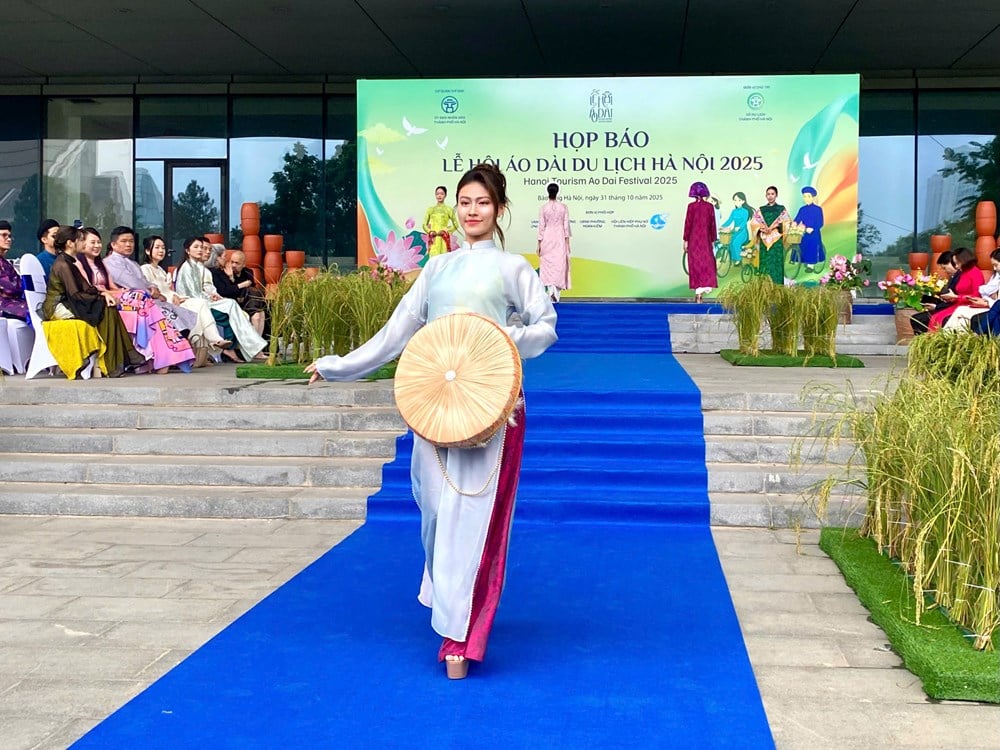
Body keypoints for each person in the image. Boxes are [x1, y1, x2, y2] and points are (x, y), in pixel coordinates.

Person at [306, 163, 557, 680]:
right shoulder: (436, 270)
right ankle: (448, 597)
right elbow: (395, 332)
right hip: (435, 405)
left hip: (493, 408)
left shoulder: (513, 269)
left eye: (482, 203)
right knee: (436, 513)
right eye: (464, 201)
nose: (471, 211)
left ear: (500, 210)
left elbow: (546, 325)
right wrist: (337, 367)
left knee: (473, 520)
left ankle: (460, 636)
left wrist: (507, 339)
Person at [78, 227, 194, 374]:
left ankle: (160, 354)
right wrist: (143, 292)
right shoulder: (86, 263)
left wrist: (141, 290)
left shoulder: (103, 263)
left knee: (146, 304)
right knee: (144, 301)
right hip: (101, 301)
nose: (97, 246)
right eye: (92, 242)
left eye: (98, 242)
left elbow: (119, 285)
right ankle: (163, 353)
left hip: (122, 298)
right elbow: (91, 288)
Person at [42, 225, 145, 378]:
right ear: (70, 243)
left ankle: (117, 362)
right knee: (104, 308)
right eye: (79, 240)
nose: (82, 243)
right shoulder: (63, 264)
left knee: (108, 307)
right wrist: (101, 298)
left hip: (71, 301)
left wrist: (103, 294)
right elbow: (75, 293)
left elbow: (86, 287)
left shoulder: (70, 261)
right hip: (59, 306)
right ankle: (120, 360)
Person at [140, 235, 231, 367]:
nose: (161, 251)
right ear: (148, 251)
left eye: (163, 248)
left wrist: (176, 296)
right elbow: (150, 292)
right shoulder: (145, 269)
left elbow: (168, 290)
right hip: (160, 306)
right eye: (157, 247)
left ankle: (215, 339)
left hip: (172, 302)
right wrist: (171, 296)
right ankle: (209, 342)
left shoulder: (160, 269)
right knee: (199, 306)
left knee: (201, 304)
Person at [174, 237, 266, 362]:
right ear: (187, 251)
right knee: (231, 307)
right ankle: (251, 346)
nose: (201, 250)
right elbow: (192, 293)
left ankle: (250, 346)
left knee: (234, 307)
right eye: (197, 247)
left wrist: (214, 295)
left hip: (204, 301)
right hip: (193, 303)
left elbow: (207, 288)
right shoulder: (186, 268)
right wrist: (211, 296)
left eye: (202, 247)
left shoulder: (200, 268)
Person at [927, 247, 985, 331]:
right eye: (955, 263)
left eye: (957, 263)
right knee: (935, 318)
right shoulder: (963, 273)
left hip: (968, 306)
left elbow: (976, 296)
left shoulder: (975, 273)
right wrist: (951, 298)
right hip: (958, 304)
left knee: (943, 320)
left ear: (964, 260)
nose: (956, 266)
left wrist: (956, 297)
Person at [211, 250, 267, 336]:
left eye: (237, 263)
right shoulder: (225, 273)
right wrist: (231, 278)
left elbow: (250, 289)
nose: (233, 265)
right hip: (235, 303)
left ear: (243, 264)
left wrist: (235, 282)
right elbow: (226, 291)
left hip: (248, 302)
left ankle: (258, 344)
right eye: (232, 262)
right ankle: (255, 346)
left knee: (260, 314)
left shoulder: (248, 272)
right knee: (257, 315)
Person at [944, 249, 1000, 331]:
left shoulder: (975, 273)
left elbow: (978, 294)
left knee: (965, 317)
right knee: (959, 312)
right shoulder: (996, 276)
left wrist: (987, 302)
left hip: (989, 307)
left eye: (957, 263)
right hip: (984, 304)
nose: (994, 269)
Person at [683, 181, 718, 303]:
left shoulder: (691, 207)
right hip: (706, 240)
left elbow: (688, 224)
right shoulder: (709, 207)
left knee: (695, 265)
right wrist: (713, 239)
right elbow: (712, 224)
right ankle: (701, 292)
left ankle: (698, 293)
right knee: (707, 264)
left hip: (693, 240)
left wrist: (685, 240)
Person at [536, 182, 571, 302]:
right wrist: (567, 242)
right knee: (559, 265)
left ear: (548, 192)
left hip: (547, 237)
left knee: (547, 265)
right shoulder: (563, 207)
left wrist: (539, 244)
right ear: (557, 192)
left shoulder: (543, 208)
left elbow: (541, 226)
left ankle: (550, 291)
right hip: (559, 237)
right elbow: (566, 226)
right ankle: (556, 293)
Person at [749, 186, 791, 284]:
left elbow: (787, 222)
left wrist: (774, 227)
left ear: (776, 195)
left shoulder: (781, 209)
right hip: (764, 239)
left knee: (776, 263)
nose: (770, 196)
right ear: (766, 196)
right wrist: (761, 228)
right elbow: (754, 223)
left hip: (776, 241)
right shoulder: (761, 209)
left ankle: (778, 288)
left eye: (772, 194)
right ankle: (764, 289)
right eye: (768, 194)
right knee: (765, 263)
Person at [910, 250, 957, 335]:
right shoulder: (953, 277)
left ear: (952, 262)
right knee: (916, 318)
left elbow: (957, 299)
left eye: (944, 268)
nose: (945, 271)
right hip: (948, 306)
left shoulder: (960, 277)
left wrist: (936, 306)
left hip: (955, 309)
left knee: (919, 319)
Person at [0, 220, 29, 322]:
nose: (8, 239)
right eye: (4, 235)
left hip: (12, 302)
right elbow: (9, 288)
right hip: (3, 305)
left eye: (9, 236)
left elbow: (18, 283)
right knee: (32, 311)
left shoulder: (5, 263)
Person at [793, 186, 825, 270]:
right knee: (799, 243)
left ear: (813, 197)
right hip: (804, 231)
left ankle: (811, 265)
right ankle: (801, 261)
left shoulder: (818, 209)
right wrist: (794, 223)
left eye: (808, 196)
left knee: (812, 245)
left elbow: (820, 223)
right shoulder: (802, 209)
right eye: (804, 196)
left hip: (813, 232)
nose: (806, 198)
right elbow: (797, 218)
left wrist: (813, 228)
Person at [423, 185, 459, 257]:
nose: (439, 196)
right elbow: (424, 225)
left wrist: (446, 230)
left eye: (442, 194)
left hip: (444, 238)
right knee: (433, 260)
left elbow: (456, 225)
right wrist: (430, 231)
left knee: (443, 259)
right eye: (437, 194)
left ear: (445, 195)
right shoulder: (430, 209)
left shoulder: (449, 209)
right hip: (434, 238)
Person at [719, 192, 753, 265]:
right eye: (735, 200)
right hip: (734, 231)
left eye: (739, 200)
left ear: (743, 201)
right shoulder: (733, 211)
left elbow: (744, 222)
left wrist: (739, 227)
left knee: (735, 243)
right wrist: (722, 226)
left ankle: (739, 259)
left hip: (742, 232)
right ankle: (733, 258)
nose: (737, 202)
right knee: (730, 242)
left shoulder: (745, 211)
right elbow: (729, 220)